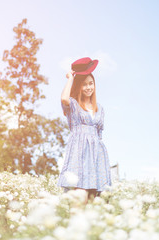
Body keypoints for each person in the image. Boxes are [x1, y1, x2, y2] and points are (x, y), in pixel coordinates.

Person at [57, 57, 112, 202]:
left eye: (91, 83)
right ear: (79, 86)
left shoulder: (100, 108)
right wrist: (70, 78)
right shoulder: (74, 105)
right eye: (84, 84)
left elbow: (99, 136)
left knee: (94, 196)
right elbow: (64, 99)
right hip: (79, 152)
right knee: (79, 193)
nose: (88, 87)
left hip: (96, 155)